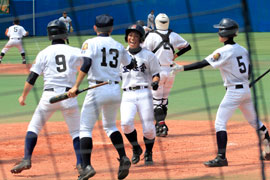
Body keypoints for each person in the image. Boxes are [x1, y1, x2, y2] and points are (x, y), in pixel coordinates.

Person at [171, 18, 270, 167]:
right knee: (254, 121)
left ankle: (221, 157)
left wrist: (181, 68)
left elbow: (203, 63)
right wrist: (243, 82)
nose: (218, 32)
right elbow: (248, 72)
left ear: (225, 32)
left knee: (220, 123)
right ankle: (268, 147)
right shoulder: (243, 49)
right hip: (245, 91)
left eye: (220, 30)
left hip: (233, 93)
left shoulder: (223, 51)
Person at [67, 14, 136, 180]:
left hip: (96, 88)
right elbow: (131, 64)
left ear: (95, 28)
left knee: (84, 129)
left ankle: (86, 166)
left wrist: (76, 86)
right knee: (111, 126)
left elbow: (86, 64)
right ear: (111, 29)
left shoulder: (90, 42)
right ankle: (124, 157)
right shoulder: (118, 45)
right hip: (114, 89)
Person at [10, 19, 83, 175]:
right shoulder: (75, 51)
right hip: (68, 96)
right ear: (65, 33)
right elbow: (88, 65)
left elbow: (32, 78)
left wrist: (23, 96)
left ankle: (27, 158)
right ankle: (80, 164)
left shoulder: (43, 53)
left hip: (48, 97)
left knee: (34, 128)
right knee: (76, 132)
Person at [142, 13, 191, 137]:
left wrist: (144, 34)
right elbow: (187, 46)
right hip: (171, 72)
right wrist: (175, 56)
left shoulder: (152, 36)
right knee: (164, 101)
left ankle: (161, 125)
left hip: (157, 72)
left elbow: (144, 52)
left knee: (156, 102)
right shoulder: (173, 35)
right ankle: (160, 125)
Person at [121, 24, 160, 165]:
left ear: (141, 38)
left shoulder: (149, 55)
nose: (133, 38)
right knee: (125, 123)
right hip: (127, 94)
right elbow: (117, 76)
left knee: (149, 128)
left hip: (145, 93)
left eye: (136, 36)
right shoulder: (121, 55)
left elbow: (156, 74)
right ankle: (136, 148)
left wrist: (155, 82)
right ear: (127, 37)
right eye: (130, 35)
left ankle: (149, 152)